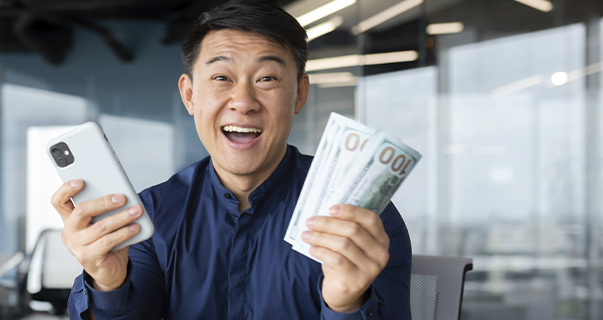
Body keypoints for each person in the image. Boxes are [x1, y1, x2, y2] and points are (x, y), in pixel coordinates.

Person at [49, 1, 411, 319]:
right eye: (221, 77)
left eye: (267, 78)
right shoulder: (149, 216)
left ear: (299, 95)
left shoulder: (360, 216)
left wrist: (346, 305)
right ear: (190, 96)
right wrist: (109, 284)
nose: (244, 101)